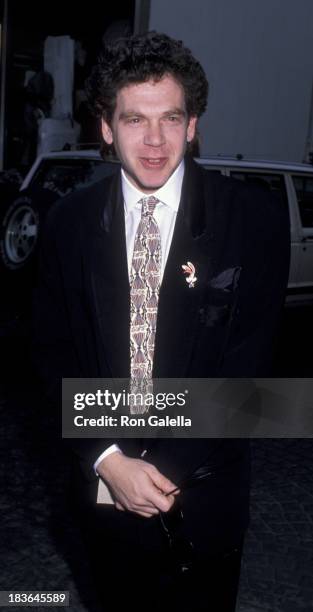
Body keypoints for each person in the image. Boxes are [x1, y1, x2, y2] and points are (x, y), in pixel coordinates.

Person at [32, 31, 290, 612]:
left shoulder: (254, 221)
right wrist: (107, 458)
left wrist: (162, 468)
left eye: (170, 119)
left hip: (205, 500)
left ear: (193, 124)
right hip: (102, 495)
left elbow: (250, 371)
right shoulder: (68, 225)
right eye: (134, 120)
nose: (154, 141)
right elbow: (51, 356)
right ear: (106, 126)